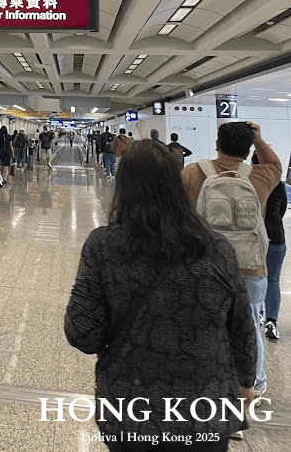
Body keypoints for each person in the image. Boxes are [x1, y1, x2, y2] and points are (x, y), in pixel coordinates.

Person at [65, 139, 257, 451]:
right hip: (206, 408)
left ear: (124, 186)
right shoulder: (217, 248)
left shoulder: (104, 246)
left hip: (130, 405)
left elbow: (81, 333)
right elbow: (241, 325)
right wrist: (246, 381)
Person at [182, 121, 281, 400]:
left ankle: (207, 386)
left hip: (205, 264)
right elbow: (276, 163)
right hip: (250, 266)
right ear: (249, 147)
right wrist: (259, 140)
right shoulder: (261, 176)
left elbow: (177, 217)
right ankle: (256, 383)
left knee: (204, 324)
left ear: (217, 143)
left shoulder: (192, 173)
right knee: (250, 324)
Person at [251, 152, 287, 341]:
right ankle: (271, 322)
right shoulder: (279, 186)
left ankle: (255, 315)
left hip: (253, 237)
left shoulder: (247, 181)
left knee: (252, 279)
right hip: (275, 236)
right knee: (273, 280)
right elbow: (281, 211)